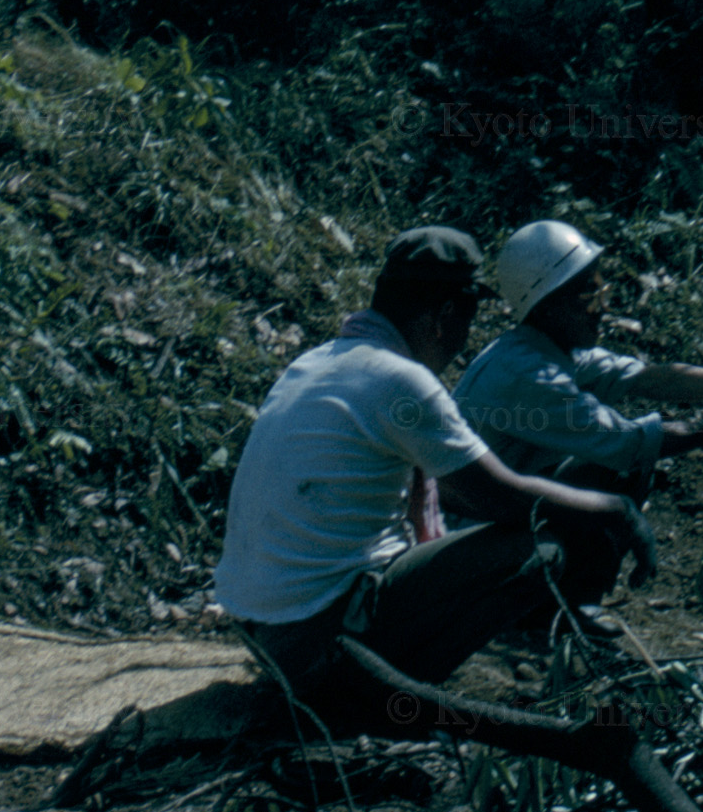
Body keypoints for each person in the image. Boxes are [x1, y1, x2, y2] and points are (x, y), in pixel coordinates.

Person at [213, 225, 645, 725]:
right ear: (444, 317)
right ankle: (387, 707)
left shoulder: (314, 363)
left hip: (264, 629)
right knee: (537, 551)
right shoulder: (400, 380)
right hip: (315, 639)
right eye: (465, 324)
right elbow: (500, 498)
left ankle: (366, 686)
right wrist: (618, 509)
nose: (461, 346)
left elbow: (462, 493)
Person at [437, 221, 703, 638]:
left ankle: (564, 603)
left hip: (508, 506)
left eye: (601, 291)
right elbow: (625, 443)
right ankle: (552, 610)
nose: (602, 307)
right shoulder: (526, 374)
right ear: (547, 304)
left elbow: (642, 377)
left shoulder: (545, 348)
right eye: (588, 295)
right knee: (620, 464)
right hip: (468, 532)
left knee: (613, 465)